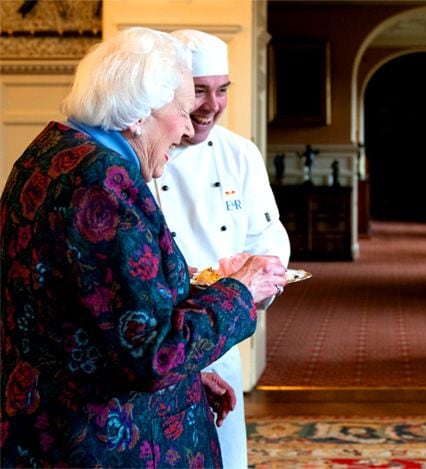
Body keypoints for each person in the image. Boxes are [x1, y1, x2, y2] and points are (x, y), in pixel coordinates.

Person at [0, 27, 286, 468]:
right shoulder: (104, 184)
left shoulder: (52, 150)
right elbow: (153, 354)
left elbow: (99, 320)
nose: (190, 127)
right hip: (101, 441)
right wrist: (241, 290)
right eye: (182, 111)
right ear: (138, 115)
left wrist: (187, 382)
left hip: (47, 421)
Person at [148, 29, 291, 469]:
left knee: (224, 452)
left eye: (222, 90)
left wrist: (262, 275)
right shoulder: (143, 152)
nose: (212, 105)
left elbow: (267, 234)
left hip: (218, 332)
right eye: (198, 91)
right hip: (158, 335)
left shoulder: (239, 153)